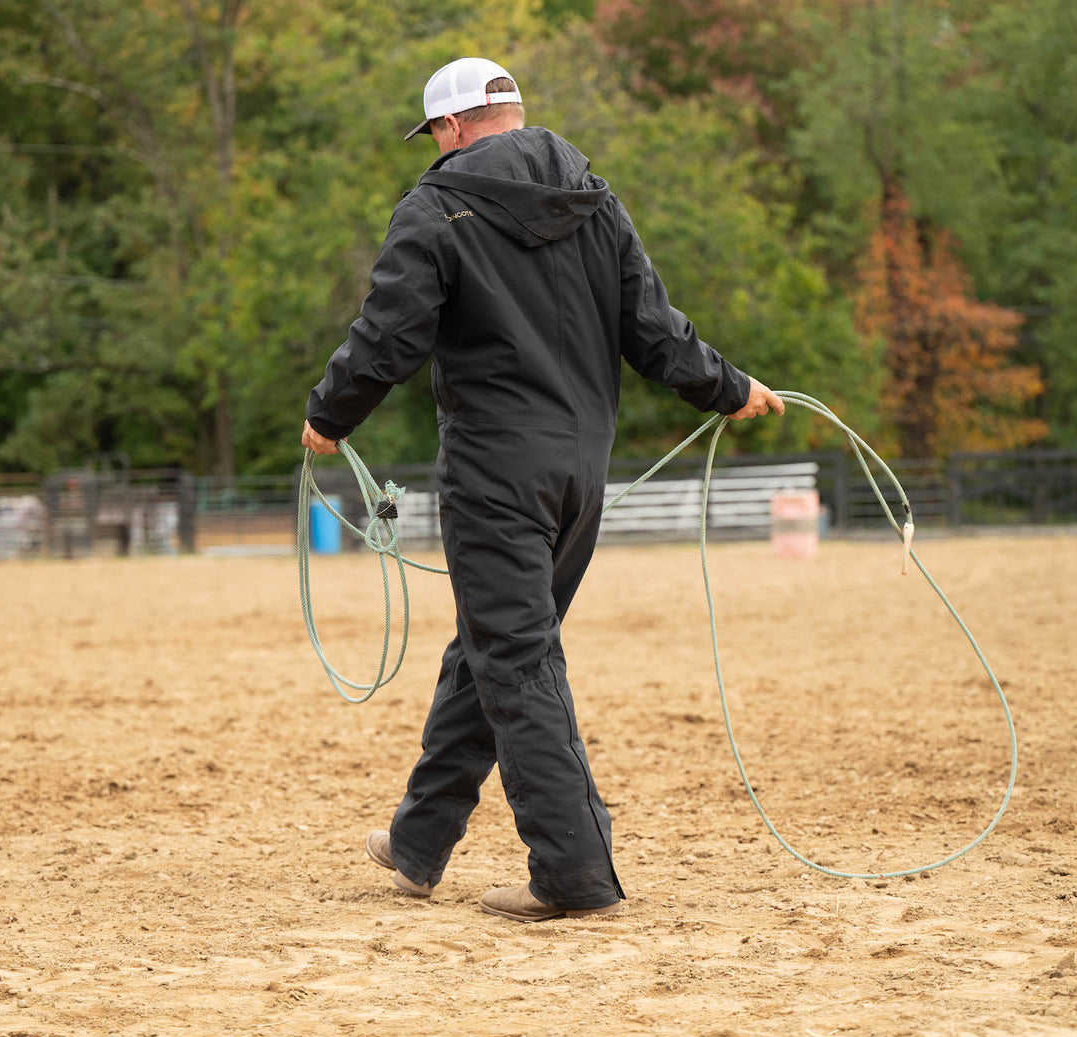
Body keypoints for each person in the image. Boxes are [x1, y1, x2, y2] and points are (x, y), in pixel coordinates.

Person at [301, 56, 785, 923]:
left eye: (435, 136)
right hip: (582, 478)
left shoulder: (434, 207)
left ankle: (573, 873)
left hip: (495, 475)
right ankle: (420, 841)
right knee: (494, 642)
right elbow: (656, 332)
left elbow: (388, 335)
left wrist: (329, 416)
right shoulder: (597, 200)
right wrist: (731, 385)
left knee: (517, 656)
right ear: (515, 116)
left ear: (449, 129)